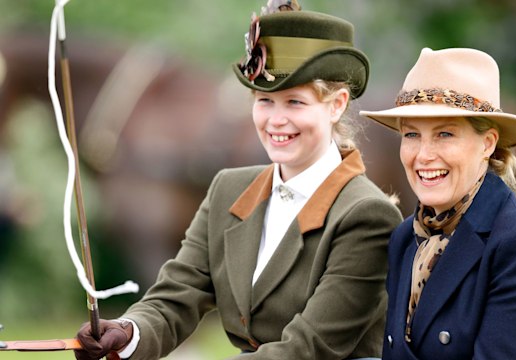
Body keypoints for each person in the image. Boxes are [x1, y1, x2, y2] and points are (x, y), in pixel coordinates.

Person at [73, 2, 403, 359]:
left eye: (294, 102)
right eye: (265, 101)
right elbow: (175, 298)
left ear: (337, 104)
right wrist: (129, 332)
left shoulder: (367, 215)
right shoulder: (228, 189)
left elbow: (308, 347)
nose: (276, 120)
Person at [360, 47, 516, 359]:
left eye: (445, 134)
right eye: (411, 135)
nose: (423, 155)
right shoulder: (404, 240)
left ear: (487, 144)